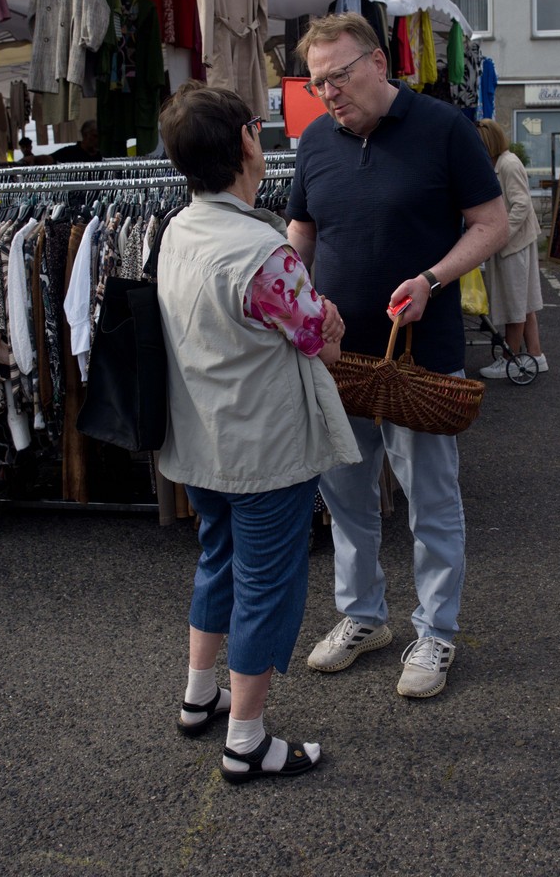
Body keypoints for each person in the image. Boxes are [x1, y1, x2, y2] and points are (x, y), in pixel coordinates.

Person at [286, 12, 508, 698]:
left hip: (421, 355)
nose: (328, 93)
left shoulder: (445, 130)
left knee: (430, 499)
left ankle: (436, 631)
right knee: (346, 498)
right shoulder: (316, 140)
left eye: (339, 76)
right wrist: (296, 300)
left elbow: (492, 223)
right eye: (317, 82)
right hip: (337, 359)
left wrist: (434, 280)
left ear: (379, 63)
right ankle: (363, 617)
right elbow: (302, 233)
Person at [155, 80, 360, 783]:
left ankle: (198, 695)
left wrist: (311, 318)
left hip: (200, 438)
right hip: (264, 448)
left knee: (217, 560)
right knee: (266, 585)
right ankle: (246, 740)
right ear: (246, 143)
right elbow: (321, 345)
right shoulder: (263, 251)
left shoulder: (177, 229)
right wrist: (325, 316)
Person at [475, 119, 548, 379]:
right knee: (525, 302)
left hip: (513, 244)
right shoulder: (503, 163)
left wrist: (501, 233)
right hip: (516, 242)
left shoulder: (507, 164)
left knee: (514, 303)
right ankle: (535, 355)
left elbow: (521, 204)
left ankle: (511, 358)